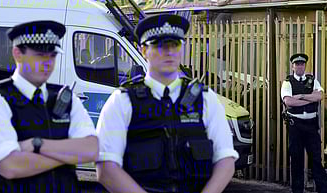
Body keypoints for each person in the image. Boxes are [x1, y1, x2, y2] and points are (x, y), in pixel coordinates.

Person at [96, 14, 238, 193]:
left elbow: (225, 160)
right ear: (143, 50)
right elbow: (106, 169)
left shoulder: (205, 98)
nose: (169, 51)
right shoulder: (122, 100)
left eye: (175, 44)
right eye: (159, 45)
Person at [0, 20, 98, 193]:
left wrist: (37, 144)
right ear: (18, 53)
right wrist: (69, 156)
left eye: (52, 55)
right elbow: (10, 165)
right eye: (40, 55)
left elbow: (92, 149)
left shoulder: (66, 100)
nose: (48, 62)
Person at [281, 53, 327, 193]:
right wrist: (310, 98)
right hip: (295, 125)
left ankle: (323, 190)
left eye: (302, 64)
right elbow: (289, 101)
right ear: (292, 66)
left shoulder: (312, 80)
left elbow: (320, 96)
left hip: (311, 125)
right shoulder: (287, 82)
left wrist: (301, 96)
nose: (299, 66)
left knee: (316, 160)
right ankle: (297, 191)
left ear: (305, 66)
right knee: (296, 160)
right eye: (297, 64)